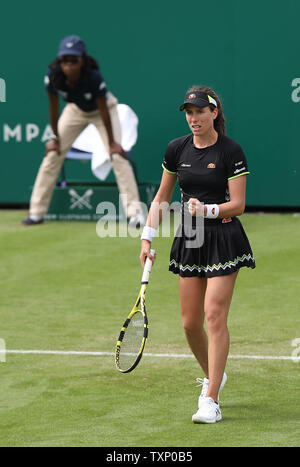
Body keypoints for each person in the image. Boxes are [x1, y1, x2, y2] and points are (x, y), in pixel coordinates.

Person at [139, 85, 255, 424]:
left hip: (223, 235)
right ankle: (215, 375)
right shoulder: (177, 149)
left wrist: (207, 210)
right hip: (190, 238)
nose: (194, 118)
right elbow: (162, 196)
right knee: (190, 324)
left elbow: (239, 204)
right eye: (189, 112)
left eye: (200, 112)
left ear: (214, 113)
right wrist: (147, 238)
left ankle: (211, 398)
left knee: (214, 315)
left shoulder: (231, 150)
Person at [22, 35, 144, 228]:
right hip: (75, 110)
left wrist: (112, 143)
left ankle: (135, 214)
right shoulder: (53, 74)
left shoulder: (93, 76)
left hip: (103, 111)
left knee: (118, 157)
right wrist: (55, 138)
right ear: (59, 61)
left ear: (82, 60)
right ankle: (36, 213)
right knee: (53, 154)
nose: (69, 65)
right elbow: (53, 107)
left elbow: (103, 110)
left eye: (74, 60)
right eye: (65, 60)